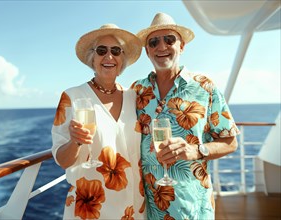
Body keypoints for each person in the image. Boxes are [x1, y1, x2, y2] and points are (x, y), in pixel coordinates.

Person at [131, 12, 240, 219]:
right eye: (154, 42)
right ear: (147, 51)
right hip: (149, 206)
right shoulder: (137, 90)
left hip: (193, 206)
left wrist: (196, 150)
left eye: (169, 40)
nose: (161, 47)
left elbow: (230, 142)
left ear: (181, 46)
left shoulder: (205, 87)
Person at [51, 24, 146, 219]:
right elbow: (62, 160)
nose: (109, 57)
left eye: (116, 51)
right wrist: (75, 141)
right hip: (92, 208)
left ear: (123, 60)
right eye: (101, 50)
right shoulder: (72, 97)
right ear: (92, 58)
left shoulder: (134, 97)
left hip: (134, 208)